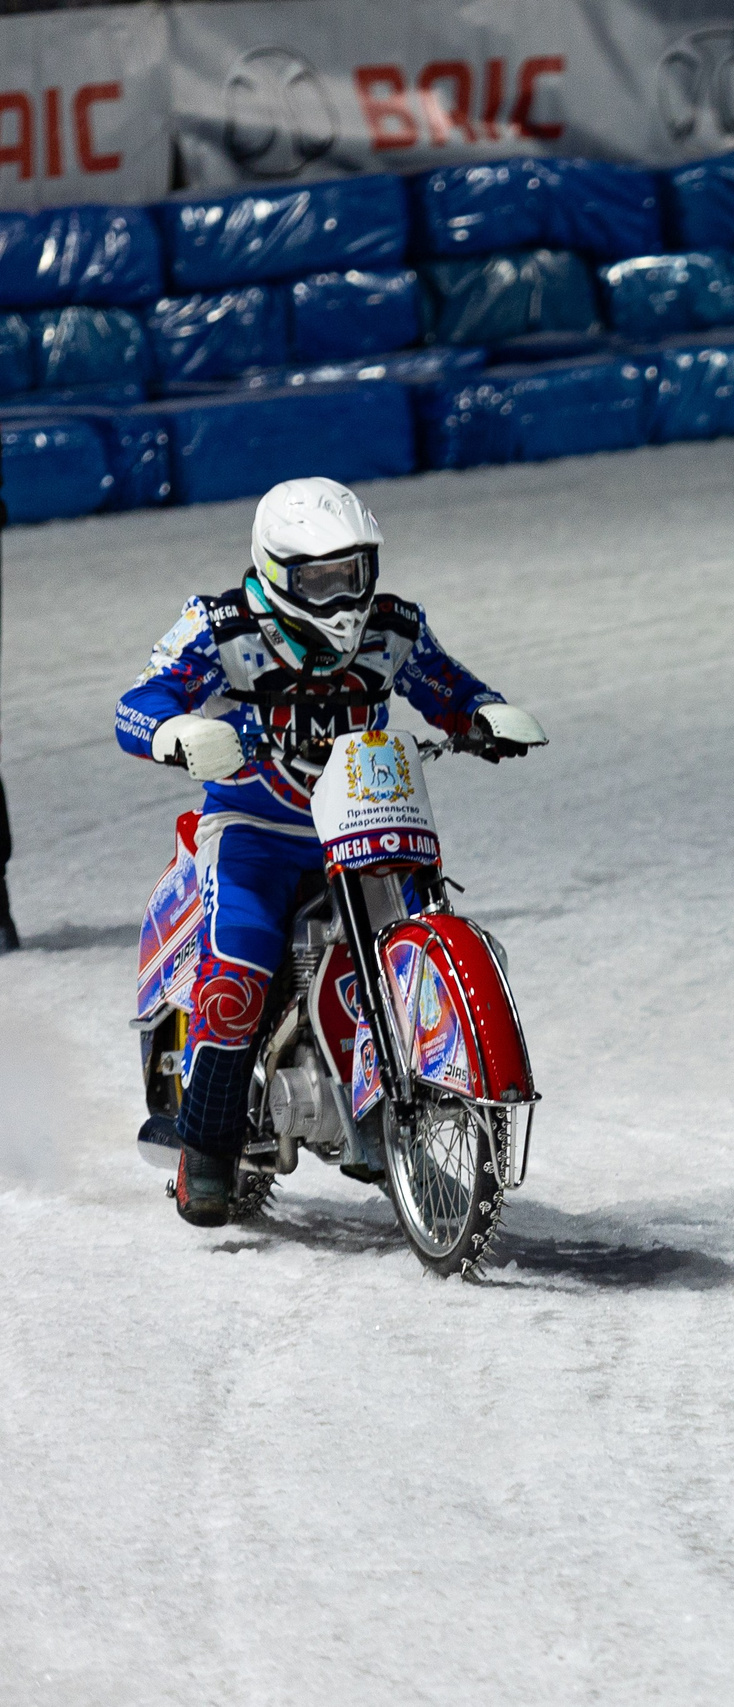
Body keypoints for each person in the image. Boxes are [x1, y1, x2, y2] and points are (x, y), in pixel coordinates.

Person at [115, 477, 546, 1228]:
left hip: (366, 821)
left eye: (352, 571)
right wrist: (174, 733)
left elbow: (442, 684)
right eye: (320, 577)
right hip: (254, 834)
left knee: (422, 928)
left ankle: (406, 1098)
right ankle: (206, 1151)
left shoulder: (392, 629)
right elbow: (142, 698)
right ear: (278, 573)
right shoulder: (220, 628)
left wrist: (480, 713)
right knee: (238, 969)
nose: (342, 593)